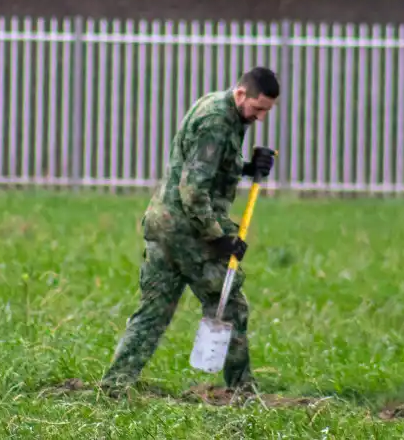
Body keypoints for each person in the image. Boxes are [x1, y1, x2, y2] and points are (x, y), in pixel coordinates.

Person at [100, 66, 280, 395]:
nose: (261, 117)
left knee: (153, 311)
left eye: (267, 111)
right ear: (241, 94)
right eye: (258, 109)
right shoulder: (217, 120)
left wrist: (248, 168)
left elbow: (207, 164)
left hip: (164, 224)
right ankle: (242, 392)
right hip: (188, 230)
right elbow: (194, 191)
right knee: (229, 306)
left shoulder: (217, 107)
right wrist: (220, 237)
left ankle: (114, 385)